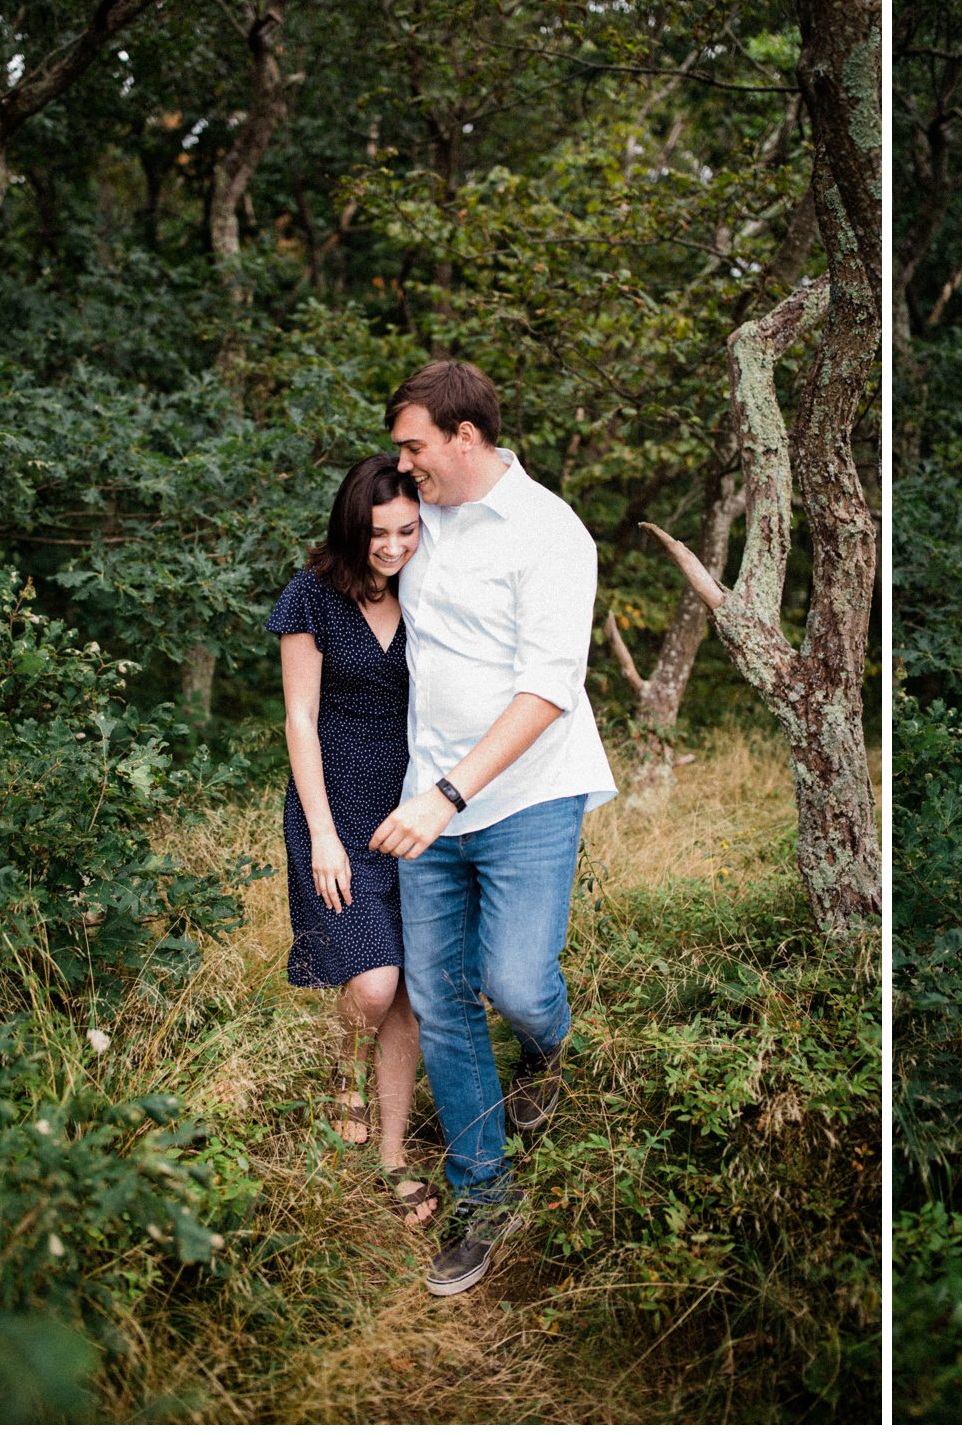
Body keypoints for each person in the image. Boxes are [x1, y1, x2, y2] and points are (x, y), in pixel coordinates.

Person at [367, 360, 617, 1297]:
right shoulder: (417, 514)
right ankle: (484, 1193)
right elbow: (359, 567)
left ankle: (547, 1050)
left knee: (516, 981)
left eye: (415, 445)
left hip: (524, 797)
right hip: (424, 797)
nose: (404, 462)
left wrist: (450, 795)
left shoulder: (551, 534)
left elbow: (551, 686)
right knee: (440, 1000)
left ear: (466, 438)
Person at [268, 455, 438, 1229]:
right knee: (371, 985)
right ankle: (347, 1070)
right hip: (333, 813)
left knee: (406, 989)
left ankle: (395, 1155)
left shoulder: (433, 585)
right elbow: (300, 719)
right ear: (351, 527)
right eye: (379, 533)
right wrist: (323, 838)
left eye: (408, 529)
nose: (395, 546)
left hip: (416, 818)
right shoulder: (313, 595)